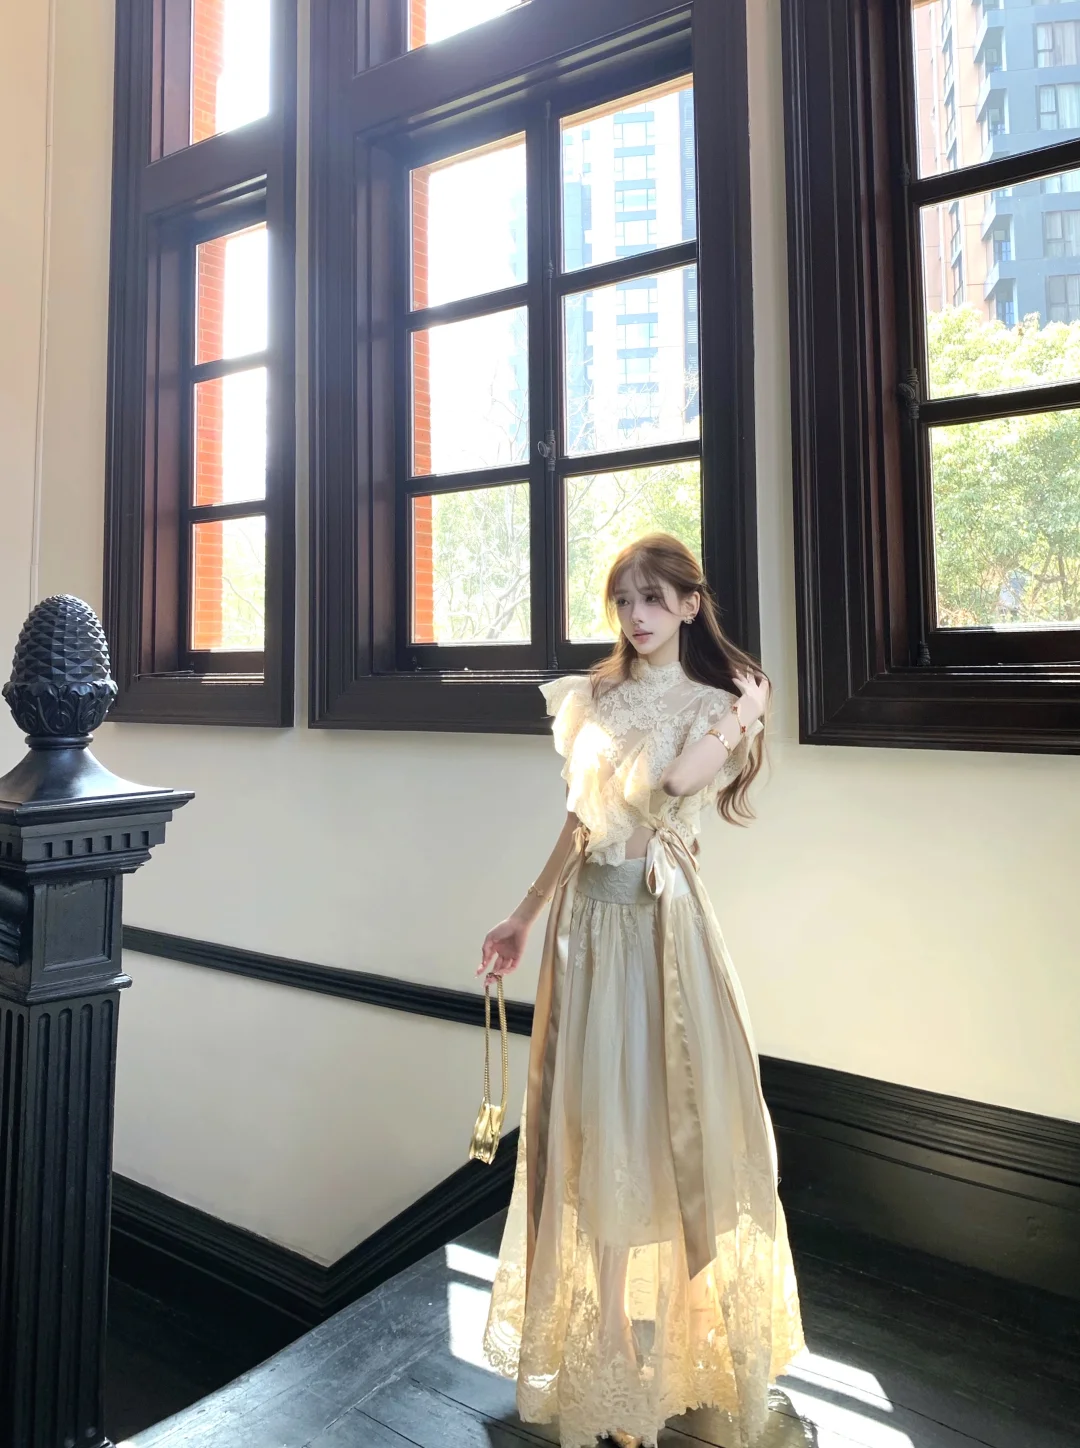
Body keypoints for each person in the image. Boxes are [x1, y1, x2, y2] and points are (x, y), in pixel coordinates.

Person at [477, 533, 805, 1448]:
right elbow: (580, 821)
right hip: (588, 928)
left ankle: (695, 1343)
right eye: (624, 600)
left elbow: (673, 781)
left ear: (692, 605)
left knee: (671, 1125)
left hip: (663, 932)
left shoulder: (717, 704)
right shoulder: (595, 695)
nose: (636, 615)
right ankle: (610, 1344)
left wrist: (746, 713)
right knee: (596, 1124)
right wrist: (523, 915)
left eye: (654, 598)